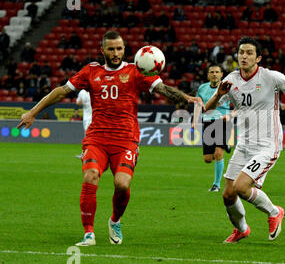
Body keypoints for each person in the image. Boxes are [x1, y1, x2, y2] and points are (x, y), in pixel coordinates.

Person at [17, 30, 203, 246]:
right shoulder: (91, 71)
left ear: (125, 49)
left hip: (126, 139)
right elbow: (60, 92)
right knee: (91, 176)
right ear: (102, 50)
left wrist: (186, 97)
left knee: (122, 184)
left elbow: (162, 89)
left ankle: (115, 220)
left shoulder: (136, 71)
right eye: (111, 48)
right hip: (97, 138)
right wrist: (33, 112)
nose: (116, 53)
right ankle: (88, 233)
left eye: (120, 48)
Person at [204, 37, 285, 243]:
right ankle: (241, 229)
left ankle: (274, 212)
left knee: (241, 187)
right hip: (244, 144)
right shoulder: (231, 79)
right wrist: (218, 94)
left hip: (267, 145)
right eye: (241, 52)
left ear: (258, 58)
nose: (244, 56)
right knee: (228, 195)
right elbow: (208, 108)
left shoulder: (271, 77)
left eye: (249, 53)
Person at [192, 64, 232, 192]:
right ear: (208, 75)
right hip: (207, 122)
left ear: (221, 74)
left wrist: (230, 115)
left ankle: (216, 185)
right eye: (212, 72)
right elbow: (198, 105)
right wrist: (195, 121)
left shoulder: (227, 87)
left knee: (218, 154)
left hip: (222, 120)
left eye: (217, 72)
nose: (214, 74)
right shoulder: (202, 88)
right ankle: (225, 145)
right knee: (208, 159)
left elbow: (238, 104)